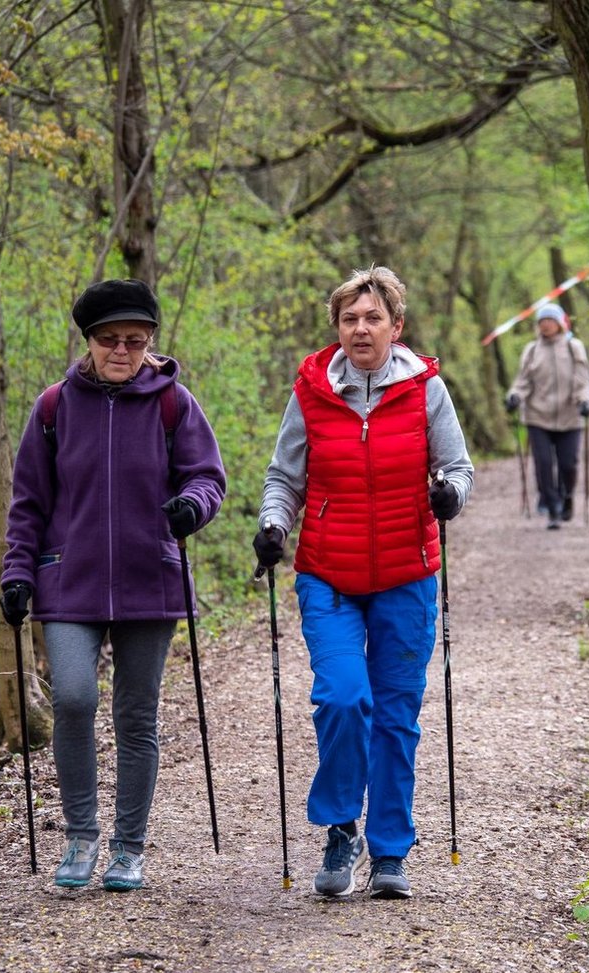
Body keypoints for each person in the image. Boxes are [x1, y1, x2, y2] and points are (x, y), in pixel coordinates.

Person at [252, 266, 473, 900]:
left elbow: (458, 466)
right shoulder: (312, 389)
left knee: (396, 715)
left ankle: (390, 851)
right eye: (350, 319)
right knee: (345, 698)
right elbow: (283, 476)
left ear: (396, 327)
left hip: (407, 574)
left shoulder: (426, 390)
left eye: (373, 317)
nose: (360, 328)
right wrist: (273, 525)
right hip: (329, 574)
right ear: (337, 329)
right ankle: (340, 827)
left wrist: (449, 495)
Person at [0, 279, 226, 892]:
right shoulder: (54, 408)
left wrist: (191, 507)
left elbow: (208, 477)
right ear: (89, 341)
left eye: (135, 340)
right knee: (73, 697)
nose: (122, 350)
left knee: (135, 713)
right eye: (109, 340)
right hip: (67, 579)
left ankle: (128, 846)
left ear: (150, 341)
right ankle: (80, 835)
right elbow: (27, 502)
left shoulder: (173, 403)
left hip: (148, 578)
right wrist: (18, 573)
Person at [505, 302, 589, 530]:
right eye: (542, 321)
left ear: (559, 323)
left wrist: (585, 400)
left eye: (550, 320)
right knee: (543, 464)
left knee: (569, 465)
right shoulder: (532, 350)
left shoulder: (574, 347)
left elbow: (583, 380)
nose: (545, 325)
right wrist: (515, 396)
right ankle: (553, 509)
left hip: (570, 416)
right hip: (537, 417)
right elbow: (523, 381)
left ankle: (567, 496)